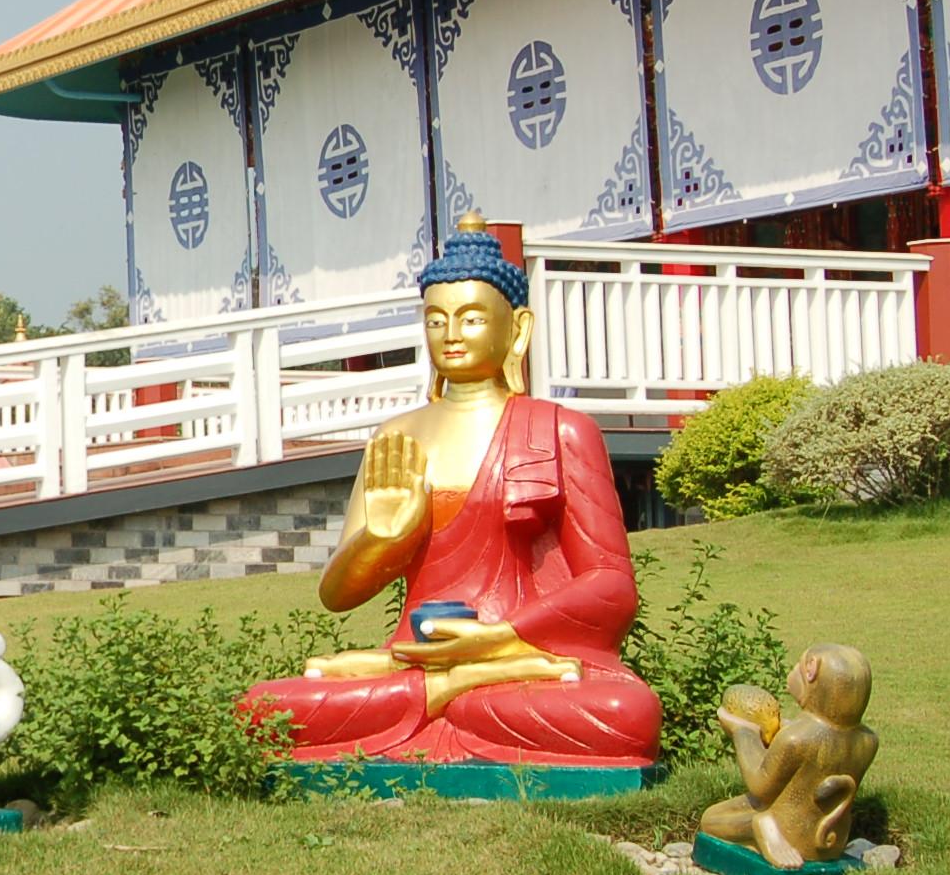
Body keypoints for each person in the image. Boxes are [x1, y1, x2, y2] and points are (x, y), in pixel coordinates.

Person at [238, 217, 662, 771]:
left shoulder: (560, 430)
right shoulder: (397, 438)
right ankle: (445, 693)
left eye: (471, 317)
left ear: (519, 329)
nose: (452, 334)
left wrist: (500, 637)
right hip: (415, 659)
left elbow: (611, 588)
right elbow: (337, 593)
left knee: (623, 711)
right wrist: (383, 537)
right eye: (436, 320)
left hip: (523, 654)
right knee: (263, 708)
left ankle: (448, 694)